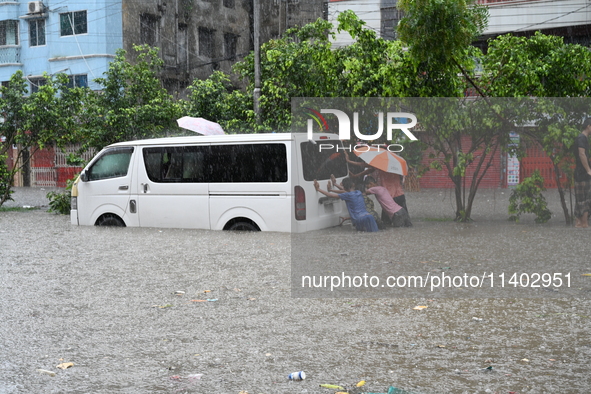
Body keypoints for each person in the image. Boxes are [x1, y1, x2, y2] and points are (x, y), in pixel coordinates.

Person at [314, 177, 379, 232]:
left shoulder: (347, 195)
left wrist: (318, 189)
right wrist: (334, 185)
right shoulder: (358, 192)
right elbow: (345, 191)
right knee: (374, 236)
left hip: (359, 219)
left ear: (344, 187)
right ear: (353, 185)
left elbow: (330, 195)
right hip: (370, 217)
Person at [574, 117, 591, 228]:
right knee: (585, 198)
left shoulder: (583, 138)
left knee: (580, 198)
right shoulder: (582, 138)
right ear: (588, 126)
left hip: (580, 173)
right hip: (582, 174)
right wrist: (588, 170)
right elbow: (581, 154)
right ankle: (584, 223)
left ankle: (579, 223)